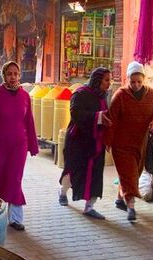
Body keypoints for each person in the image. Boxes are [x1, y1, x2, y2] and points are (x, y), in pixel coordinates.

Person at [0, 61, 39, 231]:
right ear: (4, 75)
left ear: (19, 76)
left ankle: (15, 218)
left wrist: (33, 145)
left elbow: (29, 122)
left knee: (14, 178)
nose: (13, 77)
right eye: (9, 74)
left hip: (18, 145)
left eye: (15, 74)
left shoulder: (24, 96)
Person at [106, 61, 153, 221]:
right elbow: (112, 119)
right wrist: (107, 141)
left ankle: (119, 199)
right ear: (127, 80)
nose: (136, 85)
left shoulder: (151, 94)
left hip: (141, 143)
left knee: (132, 174)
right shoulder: (120, 95)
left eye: (139, 81)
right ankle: (131, 207)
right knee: (129, 174)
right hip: (121, 144)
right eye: (132, 82)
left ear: (143, 79)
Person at [58, 67, 113, 220]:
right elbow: (75, 114)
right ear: (98, 80)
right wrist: (98, 117)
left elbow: (107, 117)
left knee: (95, 174)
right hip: (78, 141)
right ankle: (62, 192)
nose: (109, 83)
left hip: (95, 143)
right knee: (74, 170)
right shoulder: (80, 93)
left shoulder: (103, 97)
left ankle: (89, 207)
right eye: (106, 80)